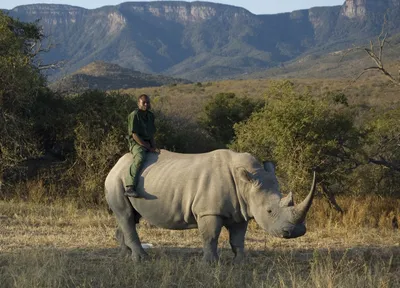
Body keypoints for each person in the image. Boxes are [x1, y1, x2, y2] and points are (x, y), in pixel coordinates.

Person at [125, 94, 158, 198]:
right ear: (138, 103)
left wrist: (154, 147)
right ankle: (130, 186)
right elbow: (134, 135)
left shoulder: (151, 116)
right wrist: (147, 147)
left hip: (148, 142)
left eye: (147, 102)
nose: (146, 104)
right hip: (137, 143)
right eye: (143, 102)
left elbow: (151, 134)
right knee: (140, 158)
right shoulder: (134, 115)